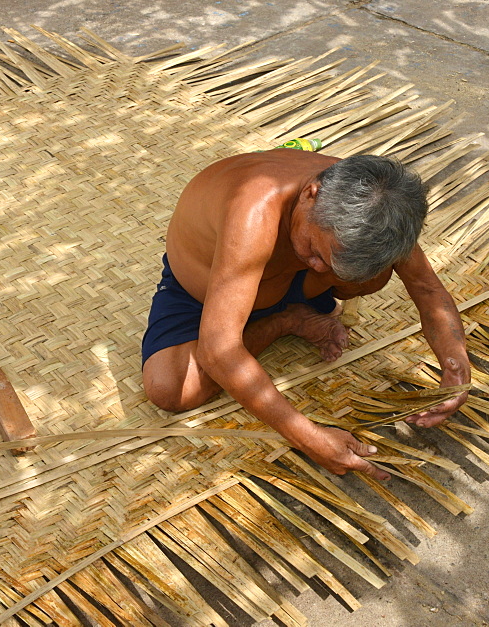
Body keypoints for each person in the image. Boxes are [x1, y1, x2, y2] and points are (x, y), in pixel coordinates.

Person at [141, 150, 470, 480]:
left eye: (329, 261)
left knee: (376, 271)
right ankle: (287, 320)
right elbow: (217, 350)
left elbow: (426, 288)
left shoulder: (376, 206)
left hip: (289, 283)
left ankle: (298, 302)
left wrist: (455, 362)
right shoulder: (253, 213)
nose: (320, 266)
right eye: (315, 252)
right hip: (214, 287)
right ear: (312, 194)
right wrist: (309, 437)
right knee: (170, 389)